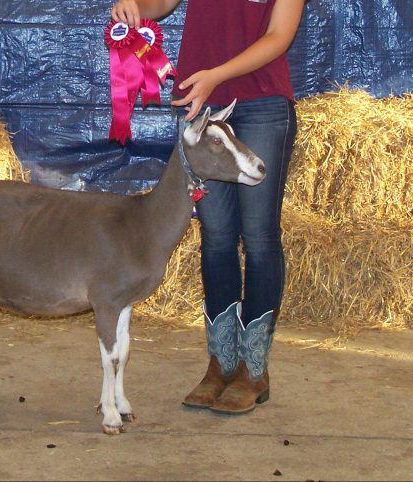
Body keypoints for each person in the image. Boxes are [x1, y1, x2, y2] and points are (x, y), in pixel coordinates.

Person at [111, 0, 305, 414]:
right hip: (203, 105)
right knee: (216, 237)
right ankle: (221, 364)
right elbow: (161, 3)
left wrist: (217, 74)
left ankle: (253, 370)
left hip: (262, 104)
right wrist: (135, 7)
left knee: (259, 237)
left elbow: (279, 36)